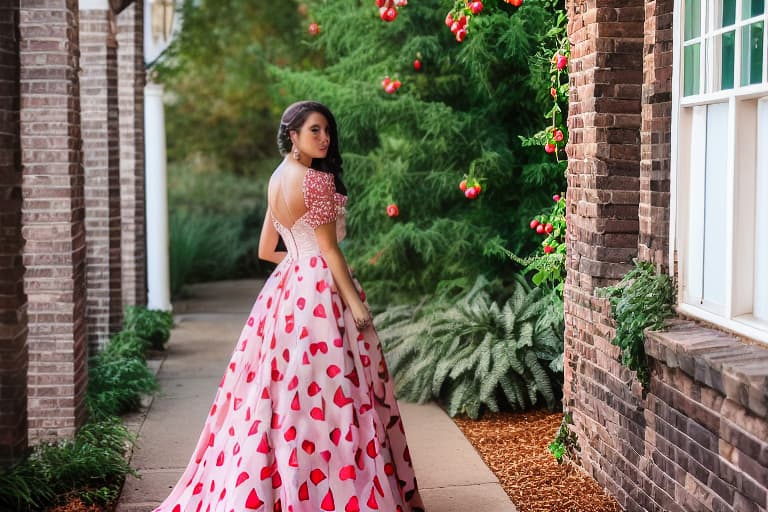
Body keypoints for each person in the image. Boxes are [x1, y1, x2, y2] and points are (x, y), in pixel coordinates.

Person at [153, 101, 425, 512]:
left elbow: (267, 251)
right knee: (335, 395)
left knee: (283, 394)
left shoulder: (276, 178)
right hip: (320, 294)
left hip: (286, 290)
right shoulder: (315, 182)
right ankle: (338, 493)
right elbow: (331, 252)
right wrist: (356, 306)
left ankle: (282, 489)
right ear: (292, 135)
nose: (324, 138)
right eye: (314, 130)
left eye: (327, 131)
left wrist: (301, 262)